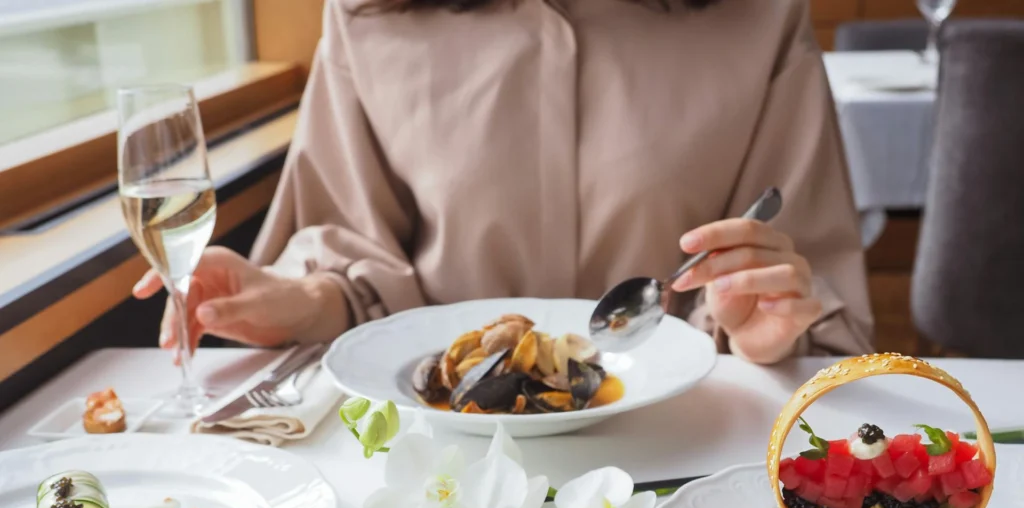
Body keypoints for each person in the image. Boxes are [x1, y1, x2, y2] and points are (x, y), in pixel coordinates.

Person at [134, 0, 874, 365]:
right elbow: (357, 263)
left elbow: (805, 297)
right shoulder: (367, 18)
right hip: (429, 464)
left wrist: (763, 332)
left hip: (686, 461)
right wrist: (296, 300)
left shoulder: (761, 16)